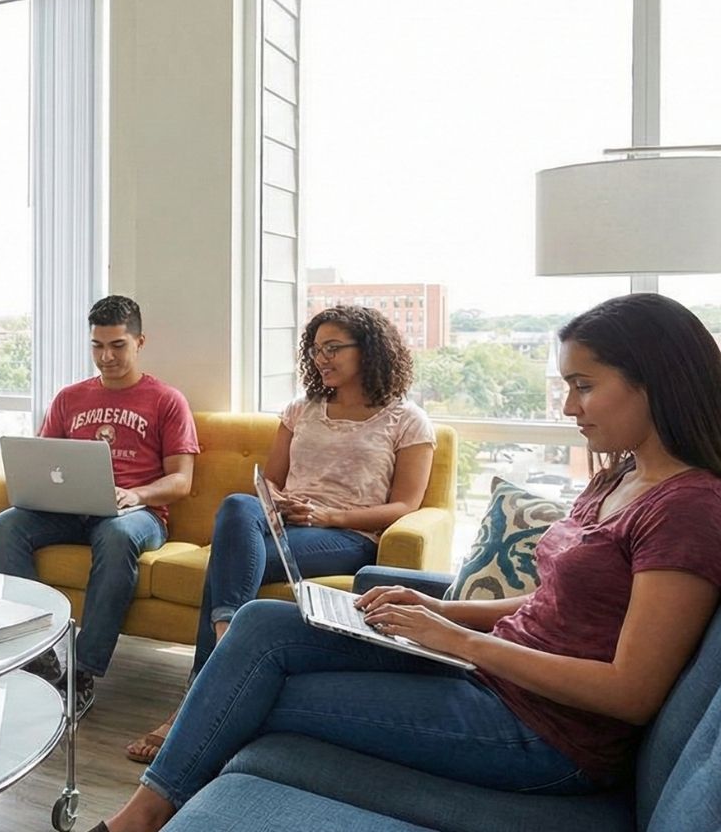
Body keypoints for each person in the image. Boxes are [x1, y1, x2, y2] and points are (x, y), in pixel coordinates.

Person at [92, 293, 721, 832]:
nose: (567, 408)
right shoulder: (620, 479)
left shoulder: (687, 507)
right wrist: (440, 607)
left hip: (544, 736)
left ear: (657, 380)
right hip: (497, 681)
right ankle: (145, 814)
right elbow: (557, 606)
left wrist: (455, 640)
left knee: (256, 693)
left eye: (584, 387)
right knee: (261, 623)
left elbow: (632, 693)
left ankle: (142, 819)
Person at [127, 304, 432, 762]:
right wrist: (278, 503)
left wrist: (329, 516)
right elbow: (268, 482)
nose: (321, 359)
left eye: (332, 349)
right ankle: (229, 635)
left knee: (226, 566)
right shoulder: (300, 410)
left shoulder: (406, 420)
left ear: (368, 350)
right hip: (281, 526)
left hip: (345, 537)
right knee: (237, 505)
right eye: (315, 351)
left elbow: (405, 505)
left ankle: (193, 702)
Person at [0, 295, 199, 713]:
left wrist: (136, 494)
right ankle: (39, 653)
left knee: (116, 533)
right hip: (72, 510)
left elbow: (182, 480)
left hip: (138, 515)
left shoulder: (166, 400)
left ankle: (82, 670)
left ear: (140, 341)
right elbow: (44, 459)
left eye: (117, 345)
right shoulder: (69, 399)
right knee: (6, 525)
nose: (106, 357)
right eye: (97, 346)